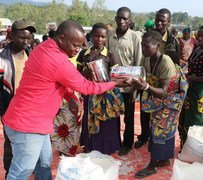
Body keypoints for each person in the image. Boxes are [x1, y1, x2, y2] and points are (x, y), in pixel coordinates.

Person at [2, 20, 129, 179]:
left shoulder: (43, 48)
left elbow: (55, 81)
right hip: (28, 126)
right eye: (75, 45)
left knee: (43, 163)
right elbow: (87, 87)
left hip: (32, 122)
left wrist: (70, 99)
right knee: (21, 172)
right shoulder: (58, 61)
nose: (77, 50)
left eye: (80, 45)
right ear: (61, 38)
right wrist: (114, 83)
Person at [132, 30, 188, 178]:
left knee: (160, 129)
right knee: (157, 127)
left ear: (157, 46)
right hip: (158, 100)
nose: (142, 49)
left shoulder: (166, 62)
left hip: (170, 100)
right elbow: (143, 77)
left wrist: (145, 87)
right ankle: (163, 159)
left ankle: (152, 165)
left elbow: (164, 91)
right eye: (141, 46)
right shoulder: (146, 59)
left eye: (146, 46)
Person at [78, 22, 124, 155]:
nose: (99, 39)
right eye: (96, 36)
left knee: (106, 123)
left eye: (103, 37)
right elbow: (77, 75)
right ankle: (90, 145)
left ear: (106, 38)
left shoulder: (110, 55)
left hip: (105, 95)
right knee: (89, 121)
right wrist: (85, 73)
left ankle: (107, 148)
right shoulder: (83, 54)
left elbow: (116, 76)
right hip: (89, 93)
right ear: (91, 36)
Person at [0, 19, 36, 178]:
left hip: (29, 109)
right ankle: (10, 173)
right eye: (22, 38)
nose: (26, 42)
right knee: (11, 145)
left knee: (29, 144)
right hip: (9, 109)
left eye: (29, 38)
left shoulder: (31, 55)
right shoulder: (3, 60)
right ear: (12, 35)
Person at [107, 6, 143, 156]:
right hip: (113, 85)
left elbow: (139, 63)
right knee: (112, 116)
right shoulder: (109, 36)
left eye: (125, 19)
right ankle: (114, 142)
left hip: (129, 86)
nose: (121, 21)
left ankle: (127, 144)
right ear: (115, 18)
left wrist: (135, 89)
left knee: (128, 118)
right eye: (119, 18)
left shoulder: (135, 38)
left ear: (130, 21)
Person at [179, 25, 203, 146]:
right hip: (192, 88)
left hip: (202, 92)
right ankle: (186, 146)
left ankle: (197, 147)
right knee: (187, 117)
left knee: (198, 119)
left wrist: (192, 78)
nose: (199, 38)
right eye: (198, 35)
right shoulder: (197, 48)